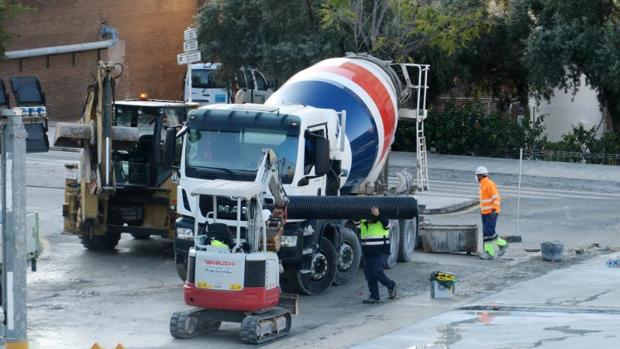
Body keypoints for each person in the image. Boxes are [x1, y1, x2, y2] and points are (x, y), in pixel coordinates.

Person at [357, 206, 397, 304]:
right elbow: (356, 222)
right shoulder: (363, 223)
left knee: (377, 272)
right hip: (367, 253)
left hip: (380, 252)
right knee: (369, 276)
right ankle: (374, 296)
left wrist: (378, 215)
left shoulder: (381, 221)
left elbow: (387, 225)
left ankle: (391, 285)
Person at [476, 166, 508, 260]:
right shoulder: (482, 185)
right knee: (486, 234)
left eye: (477, 175)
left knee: (489, 232)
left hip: (491, 212)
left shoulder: (489, 184)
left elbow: (496, 198)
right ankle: (489, 253)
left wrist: (494, 209)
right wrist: (482, 209)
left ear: (481, 176)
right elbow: (485, 200)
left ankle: (503, 244)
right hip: (485, 212)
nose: (476, 177)